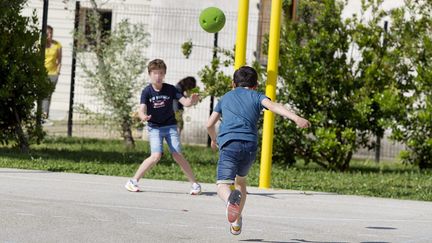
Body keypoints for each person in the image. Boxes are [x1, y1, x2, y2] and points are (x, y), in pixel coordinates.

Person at [206, 66, 311, 235]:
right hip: (249, 145)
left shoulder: (225, 97)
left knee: (223, 184)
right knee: (241, 182)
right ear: (255, 86)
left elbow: (209, 124)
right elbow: (274, 106)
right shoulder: (257, 96)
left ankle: (229, 202)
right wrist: (296, 118)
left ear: (233, 84)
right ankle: (237, 221)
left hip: (229, 144)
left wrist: (214, 139)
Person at [125, 59, 202, 195]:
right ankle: (133, 181)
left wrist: (192, 101)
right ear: (150, 74)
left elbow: (185, 102)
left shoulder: (170, 89)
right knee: (156, 156)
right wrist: (143, 116)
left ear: (164, 74)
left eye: (161, 73)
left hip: (170, 126)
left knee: (177, 154)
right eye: (155, 73)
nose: (158, 76)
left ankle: (195, 185)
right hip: (154, 127)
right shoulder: (147, 91)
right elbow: (141, 108)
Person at [42, 25, 62, 121]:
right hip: (41, 73)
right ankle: (43, 115)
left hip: (53, 74)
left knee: (47, 95)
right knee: (43, 95)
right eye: (48, 33)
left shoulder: (57, 45)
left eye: (51, 33)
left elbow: (59, 59)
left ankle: (44, 115)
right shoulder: (40, 45)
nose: (50, 35)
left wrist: (58, 71)